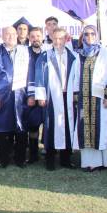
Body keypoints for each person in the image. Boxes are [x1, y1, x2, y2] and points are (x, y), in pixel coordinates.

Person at [34, 28, 80, 171]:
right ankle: (50, 160)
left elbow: (76, 77)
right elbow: (39, 76)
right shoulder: (45, 56)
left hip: (68, 96)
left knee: (67, 127)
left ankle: (66, 159)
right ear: (51, 39)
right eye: (55, 38)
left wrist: (76, 94)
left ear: (66, 39)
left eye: (61, 38)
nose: (58, 41)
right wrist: (41, 96)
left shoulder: (73, 56)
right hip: (52, 97)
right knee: (50, 128)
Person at [0, 26, 30, 168]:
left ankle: (20, 158)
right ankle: (3, 158)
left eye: (12, 33)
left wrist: (31, 94)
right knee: (2, 129)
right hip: (1, 97)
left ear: (17, 35)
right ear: (2, 36)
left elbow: (31, 74)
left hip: (20, 96)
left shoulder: (25, 51)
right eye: (7, 34)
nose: (10, 36)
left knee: (21, 129)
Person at [76, 25, 107, 171]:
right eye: (86, 34)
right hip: (84, 99)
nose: (89, 36)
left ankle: (102, 162)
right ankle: (88, 162)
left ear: (97, 35)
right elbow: (76, 76)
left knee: (102, 129)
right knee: (85, 129)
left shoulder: (105, 51)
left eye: (92, 33)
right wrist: (76, 98)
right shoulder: (79, 53)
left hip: (101, 99)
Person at [25, 27, 45, 163]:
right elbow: (25, 75)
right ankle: (33, 155)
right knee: (33, 126)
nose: (35, 38)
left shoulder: (48, 52)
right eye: (32, 36)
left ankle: (51, 153)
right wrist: (30, 95)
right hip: (31, 96)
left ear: (42, 37)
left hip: (47, 96)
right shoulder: (25, 53)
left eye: (38, 36)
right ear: (28, 38)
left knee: (49, 126)